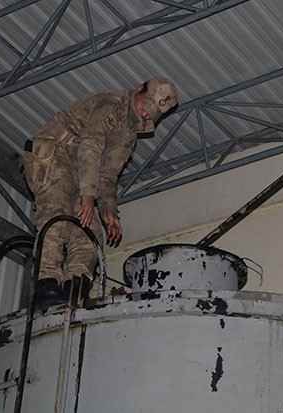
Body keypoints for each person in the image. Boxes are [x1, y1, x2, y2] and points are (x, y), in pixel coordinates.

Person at [22, 77, 179, 308]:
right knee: (57, 213)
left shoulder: (129, 136)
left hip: (77, 176)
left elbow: (107, 175)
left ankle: (73, 289)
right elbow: (90, 147)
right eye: (145, 105)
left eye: (152, 113)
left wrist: (108, 210)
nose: (146, 114)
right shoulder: (111, 104)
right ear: (139, 89)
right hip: (51, 154)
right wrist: (88, 196)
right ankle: (46, 284)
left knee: (91, 233)